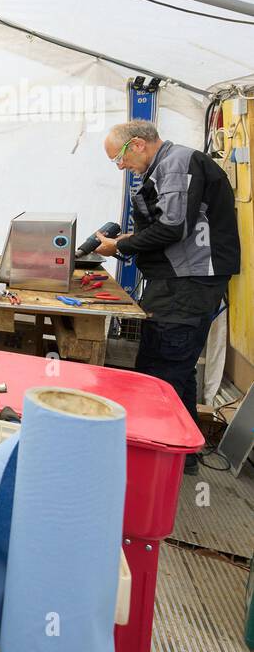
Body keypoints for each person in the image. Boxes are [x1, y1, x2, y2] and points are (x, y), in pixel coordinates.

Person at [97, 121, 240, 468]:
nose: (122, 167)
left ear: (138, 145)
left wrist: (121, 244)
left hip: (187, 283)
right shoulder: (166, 166)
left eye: (120, 159)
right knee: (178, 367)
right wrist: (125, 243)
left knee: (159, 369)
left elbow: (173, 227)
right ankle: (184, 454)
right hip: (181, 281)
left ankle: (157, 459)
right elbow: (169, 223)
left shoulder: (176, 163)